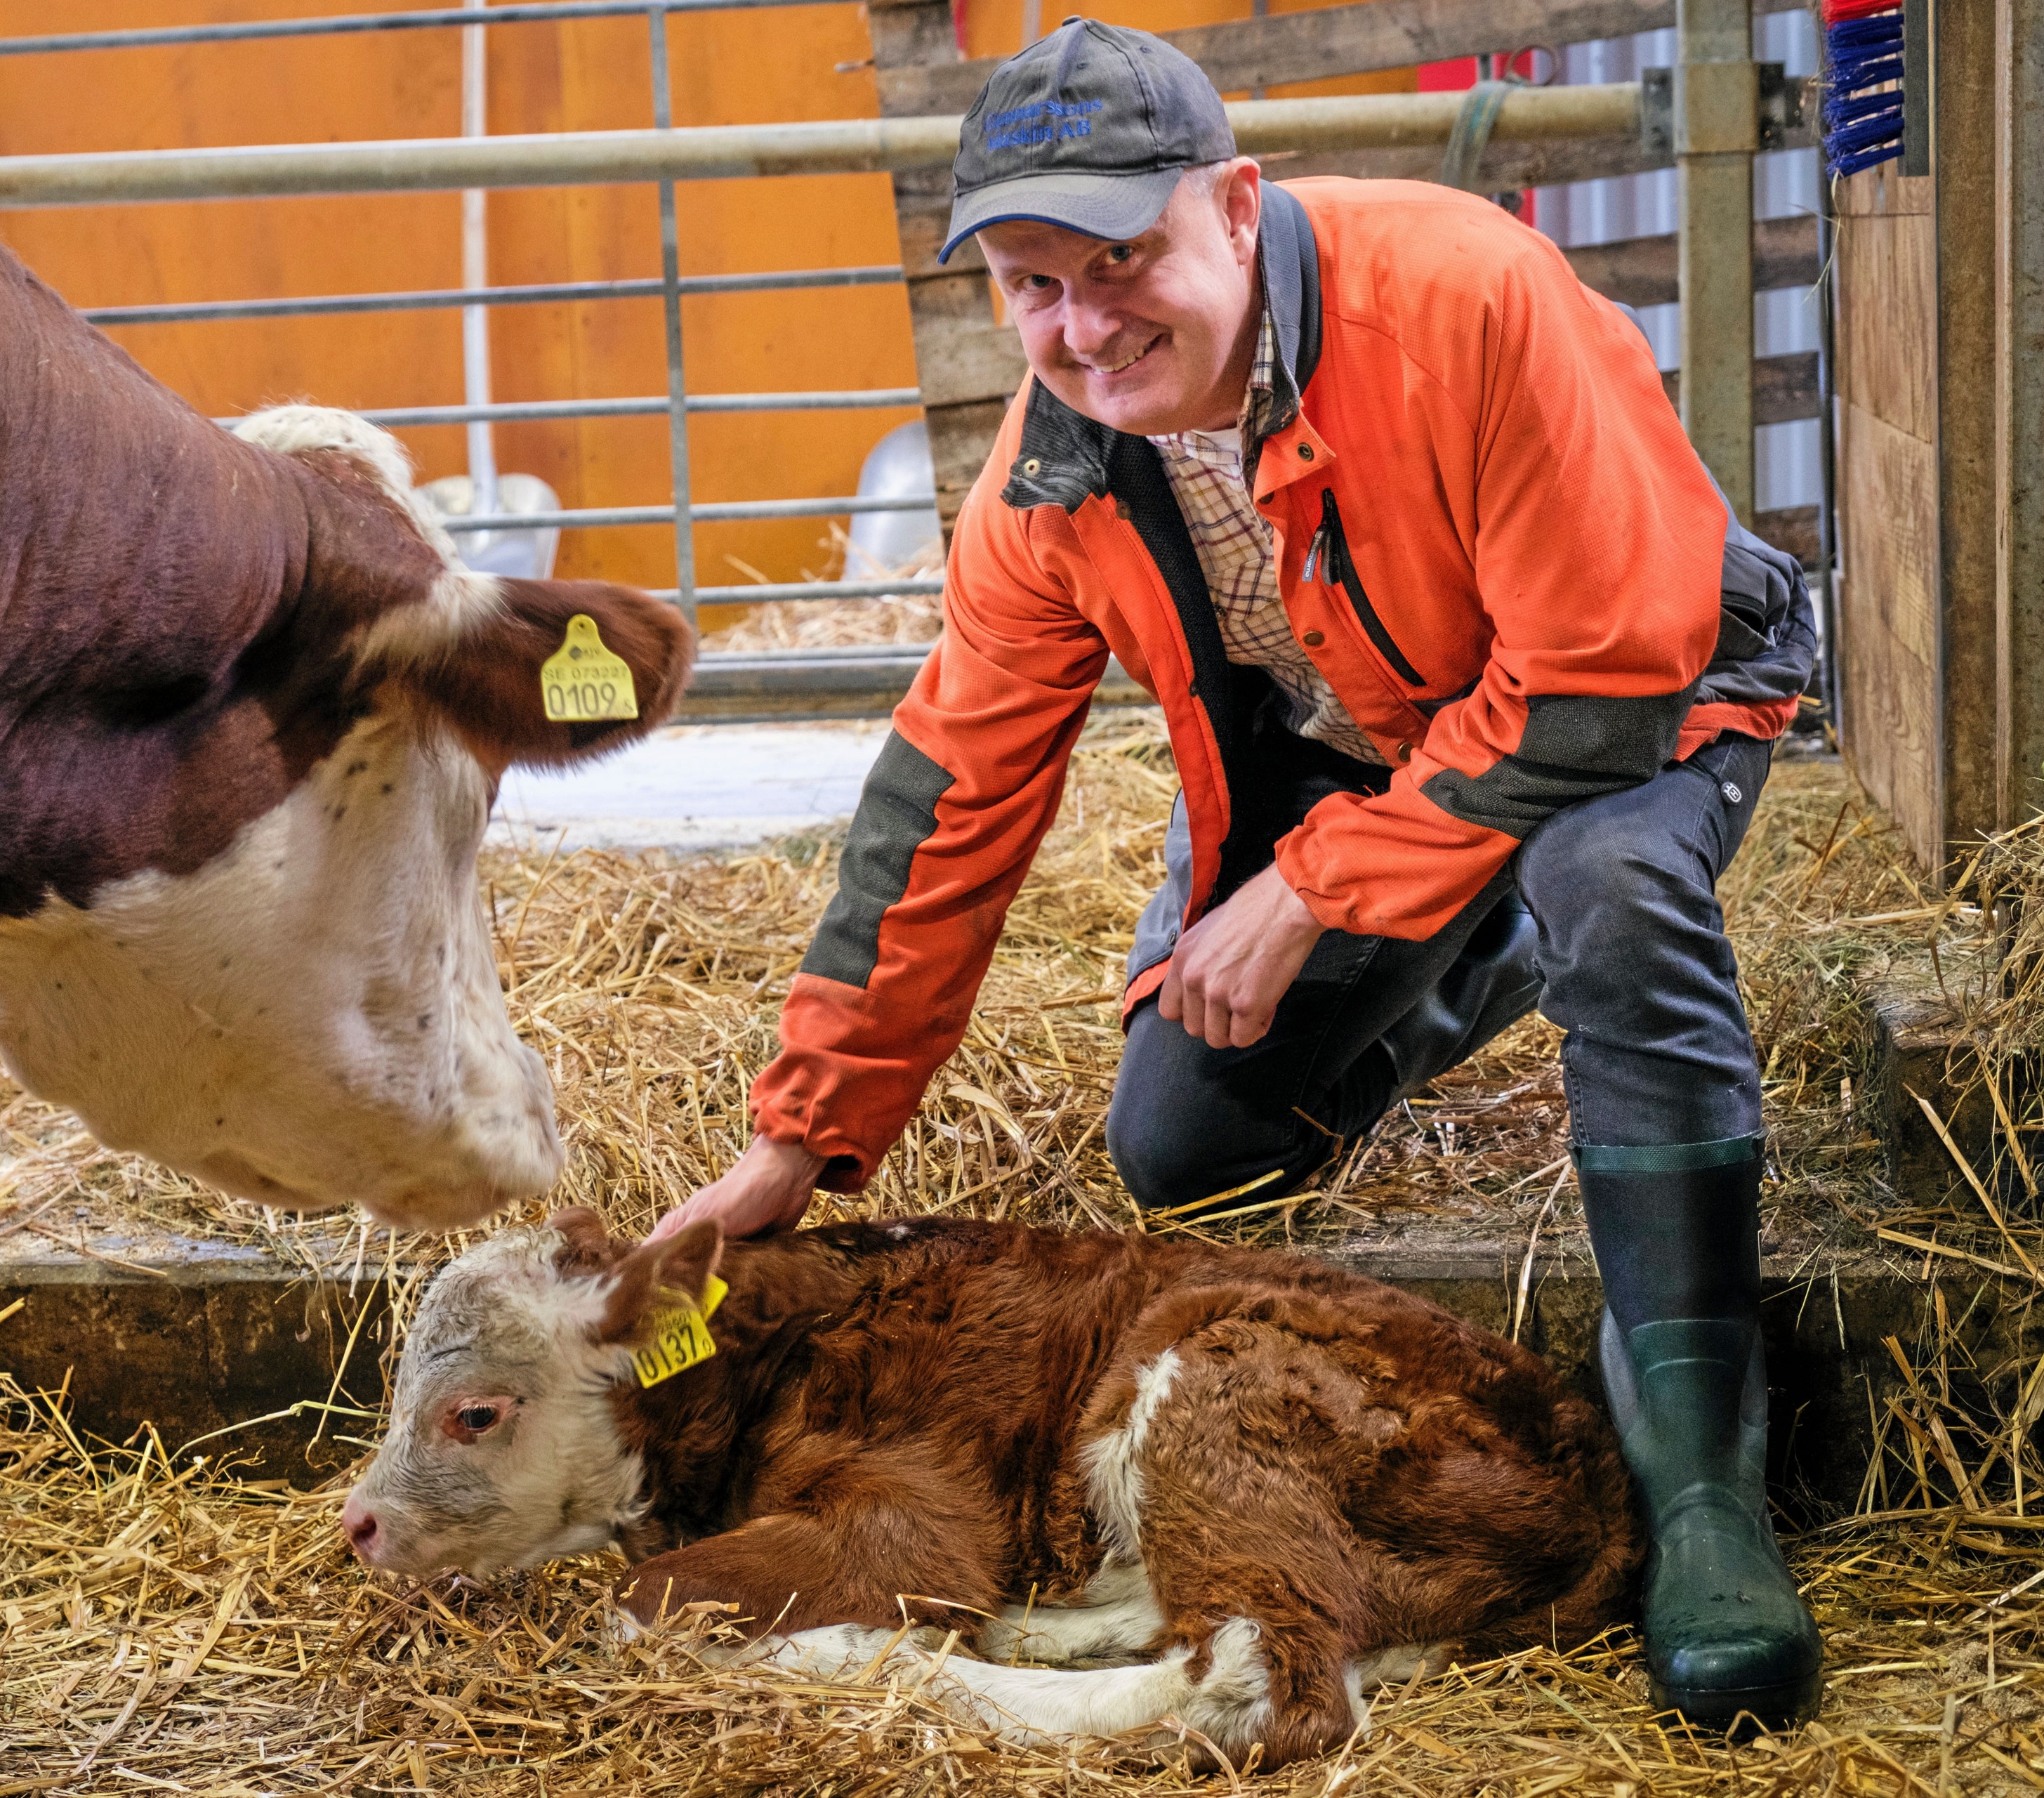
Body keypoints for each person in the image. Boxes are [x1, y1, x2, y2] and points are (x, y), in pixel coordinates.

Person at [647, 17, 1822, 1732]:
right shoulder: (1050, 469)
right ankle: (1474, 922)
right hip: (1369, 731)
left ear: (1236, 204)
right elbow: (958, 781)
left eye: (1119, 257)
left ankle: (1709, 1475)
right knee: (1184, 1132)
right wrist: (800, 1130)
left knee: (1612, 889)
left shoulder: (1468, 297)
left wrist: (1317, 887)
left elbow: (1596, 674)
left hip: (1632, 697)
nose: (1081, 323)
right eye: (1030, 285)